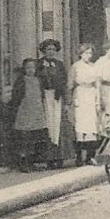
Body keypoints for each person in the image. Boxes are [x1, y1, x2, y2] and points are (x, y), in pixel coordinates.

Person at [10, 59, 48, 172]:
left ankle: (32, 162)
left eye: (32, 68)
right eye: (28, 68)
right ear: (24, 69)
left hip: (37, 112)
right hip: (25, 112)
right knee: (24, 139)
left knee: (34, 139)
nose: (30, 70)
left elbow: (42, 96)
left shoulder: (38, 81)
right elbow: (16, 98)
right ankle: (23, 163)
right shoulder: (21, 81)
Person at [68, 43, 101, 166]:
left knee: (92, 125)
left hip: (91, 95)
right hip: (80, 95)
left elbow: (97, 84)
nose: (88, 55)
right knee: (80, 126)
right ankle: (78, 157)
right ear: (81, 54)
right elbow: (70, 84)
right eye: (86, 53)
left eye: (90, 53)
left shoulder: (94, 67)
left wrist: (98, 100)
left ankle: (90, 156)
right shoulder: (76, 67)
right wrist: (70, 100)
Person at [37, 38, 67, 169]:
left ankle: (59, 157)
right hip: (44, 96)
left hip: (56, 96)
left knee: (57, 125)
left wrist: (65, 98)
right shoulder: (39, 64)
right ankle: (48, 158)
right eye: (48, 49)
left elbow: (64, 81)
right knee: (48, 125)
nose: (51, 52)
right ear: (44, 51)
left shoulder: (59, 65)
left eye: (53, 50)